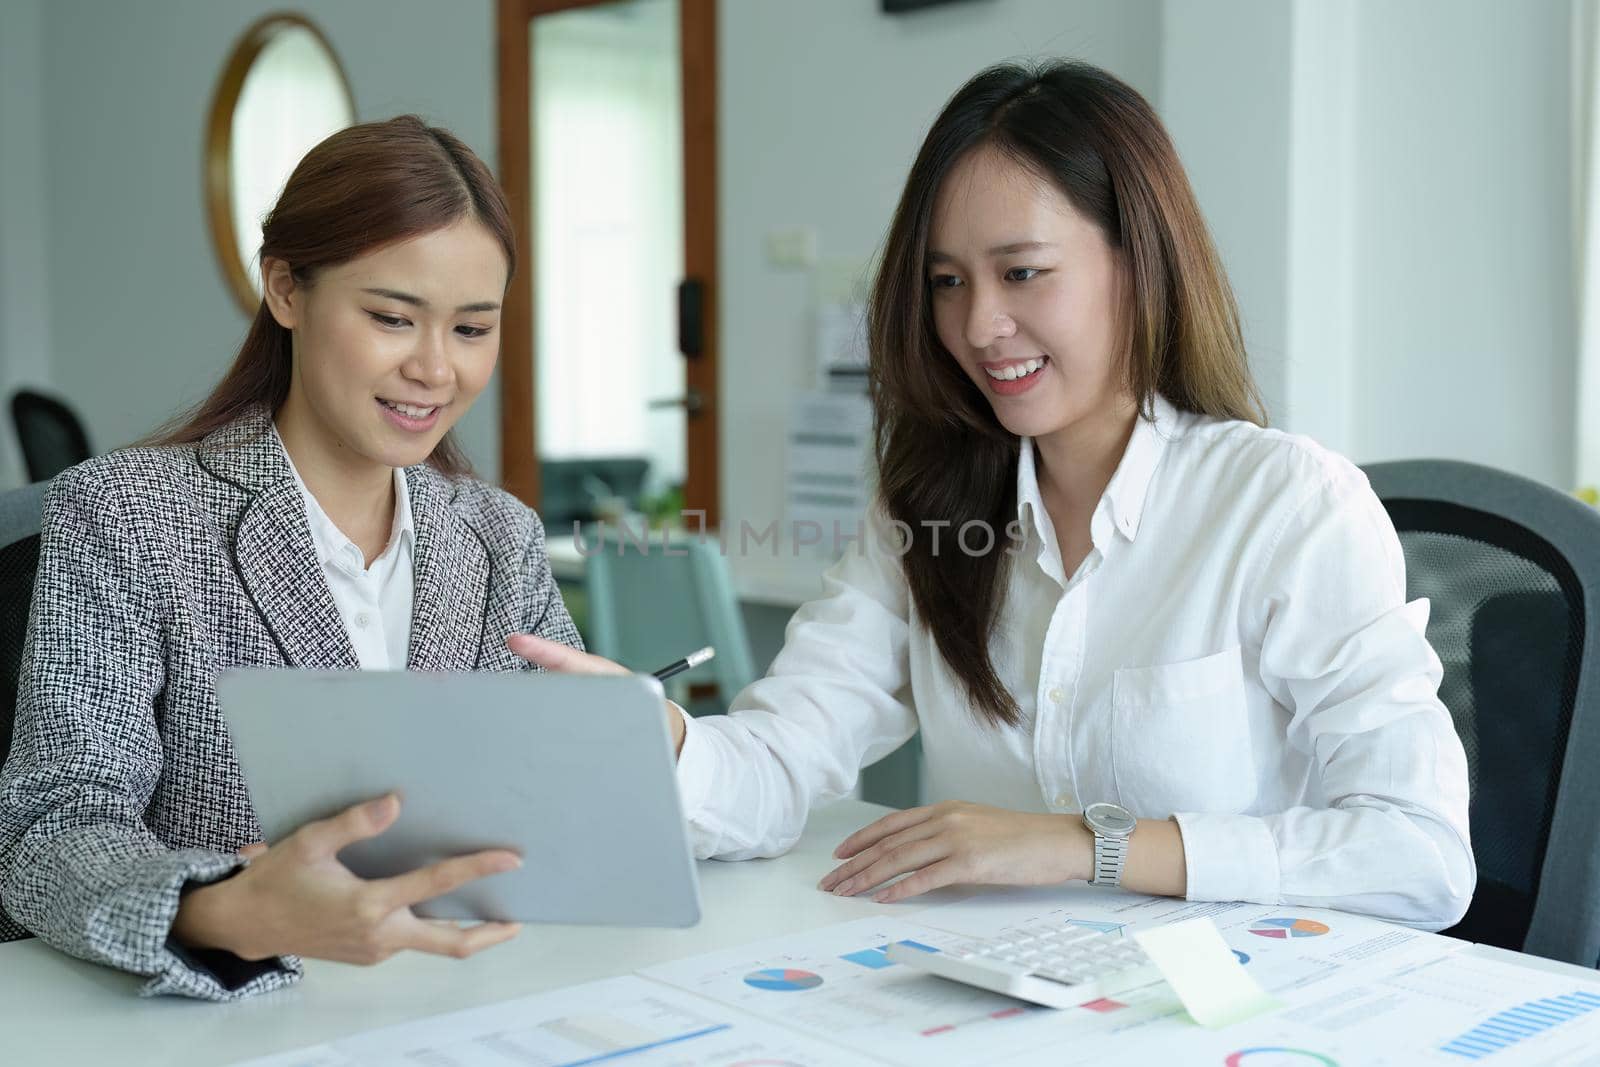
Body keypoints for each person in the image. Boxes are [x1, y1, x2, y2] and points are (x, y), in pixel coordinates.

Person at [514, 61, 1477, 929]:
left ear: (1137, 265)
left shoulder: (1285, 506)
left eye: (1022, 272)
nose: (979, 324)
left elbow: (1419, 854)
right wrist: (658, 736)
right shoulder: (925, 512)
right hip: (995, 1002)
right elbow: (778, 763)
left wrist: (1077, 843)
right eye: (946, 281)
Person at [0, 116, 585, 1000]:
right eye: (393, 317)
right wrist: (230, 912)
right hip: (220, 1017)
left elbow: (561, 802)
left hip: (456, 997)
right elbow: (50, 830)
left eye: (472, 329)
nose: (435, 368)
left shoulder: (499, 536)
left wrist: (618, 743)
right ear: (284, 289)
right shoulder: (128, 512)